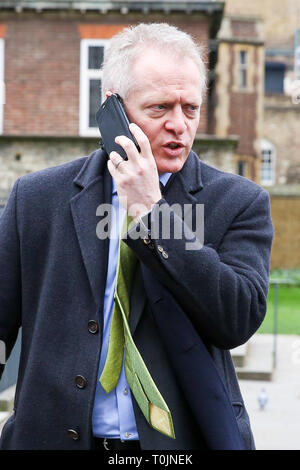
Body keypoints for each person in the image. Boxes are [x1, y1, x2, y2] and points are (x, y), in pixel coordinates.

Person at [0, 23, 273, 451]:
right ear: (113, 109)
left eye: (190, 108)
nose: (179, 126)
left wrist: (153, 213)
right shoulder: (36, 199)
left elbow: (236, 320)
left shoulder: (239, 201)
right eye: (161, 107)